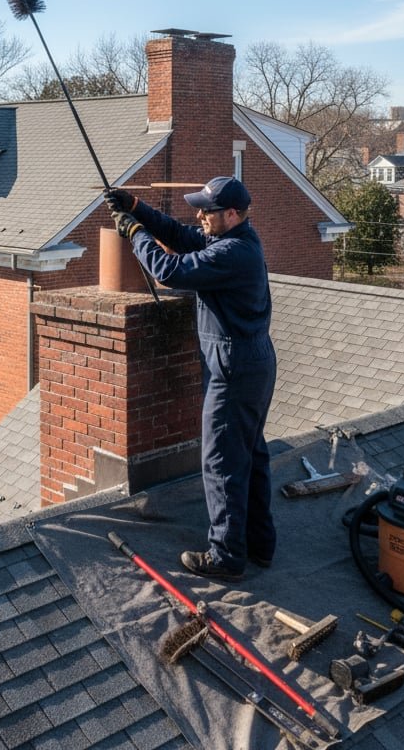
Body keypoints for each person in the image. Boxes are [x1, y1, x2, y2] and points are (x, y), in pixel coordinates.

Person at [106, 176, 277, 581]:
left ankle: (227, 557)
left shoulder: (233, 252)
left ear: (231, 214)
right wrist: (136, 207)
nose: (199, 215)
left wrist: (133, 233)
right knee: (250, 454)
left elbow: (169, 269)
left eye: (208, 210)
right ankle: (259, 543)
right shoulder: (233, 240)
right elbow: (182, 236)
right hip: (252, 361)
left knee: (221, 462)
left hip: (233, 368)